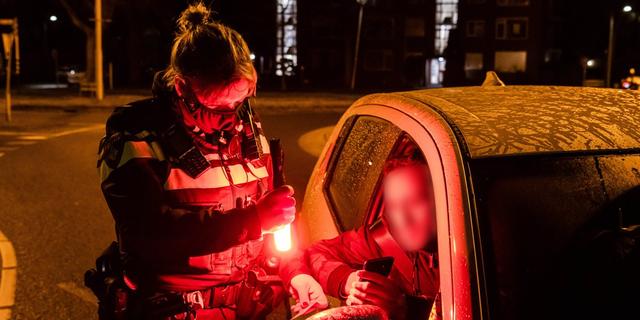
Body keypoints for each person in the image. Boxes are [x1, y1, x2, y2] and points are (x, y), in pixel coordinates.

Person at [92, 3, 295, 319]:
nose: (230, 119)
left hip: (244, 308)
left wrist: (295, 270)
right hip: (172, 311)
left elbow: (276, 223)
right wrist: (254, 220)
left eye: (240, 102)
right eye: (216, 108)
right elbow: (148, 234)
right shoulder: (137, 134)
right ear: (182, 86)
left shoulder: (249, 128)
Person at [283, 156, 440, 319]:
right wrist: (351, 282)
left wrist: (407, 310)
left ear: (441, 199)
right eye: (394, 206)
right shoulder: (384, 237)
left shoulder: (464, 248)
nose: (403, 219)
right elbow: (310, 255)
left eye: (415, 202)